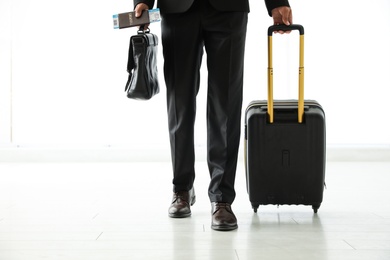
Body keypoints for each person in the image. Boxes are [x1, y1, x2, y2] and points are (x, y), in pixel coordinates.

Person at [133, 0, 292, 231]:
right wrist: (143, 1)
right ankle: (182, 188)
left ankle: (221, 197)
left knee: (226, 103)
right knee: (179, 103)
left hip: (228, 9)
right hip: (177, 10)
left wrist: (277, 2)